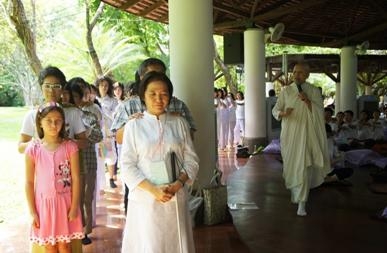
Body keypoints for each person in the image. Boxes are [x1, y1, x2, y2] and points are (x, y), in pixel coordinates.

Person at [120, 71, 199, 252]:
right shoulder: (133, 126)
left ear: (170, 97)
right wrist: (153, 190)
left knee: (175, 243)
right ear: (143, 96)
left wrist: (178, 184)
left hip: (174, 195)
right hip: (145, 198)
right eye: (152, 94)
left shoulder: (180, 123)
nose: (158, 99)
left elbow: (191, 159)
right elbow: (127, 165)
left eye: (164, 94)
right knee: (149, 244)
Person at [272, 62, 330, 216]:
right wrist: (283, 114)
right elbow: (275, 109)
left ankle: (302, 203)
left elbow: (319, 112)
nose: (297, 75)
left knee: (304, 166)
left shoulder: (313, 90)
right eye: (295, 72)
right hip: (290, 135)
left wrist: (307, 101)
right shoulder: (286, 91)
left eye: (300, 72)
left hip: (308, 134)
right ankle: (296, 195)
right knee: (292, 167)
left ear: (307, 75)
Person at [25, 102, 83, 252]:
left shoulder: (70, 147)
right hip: (43, 207)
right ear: (40, 122)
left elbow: (76, 178)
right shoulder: (33, 149)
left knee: (65, 246)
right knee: (49, 246)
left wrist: (75, 206)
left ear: (63, 123)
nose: (53, 124)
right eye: (48, 120)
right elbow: (29, 182)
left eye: (58, 120)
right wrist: (32, 212)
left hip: (66, 205)